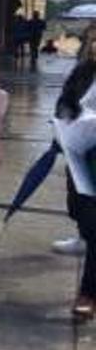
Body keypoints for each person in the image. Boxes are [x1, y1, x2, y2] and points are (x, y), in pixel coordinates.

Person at [55, 35, 96, 319]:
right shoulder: (83, 70)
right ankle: (84, 234)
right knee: (84, 212)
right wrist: (67, 118)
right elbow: (65, 100)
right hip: (83, 149)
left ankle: (88, 293)